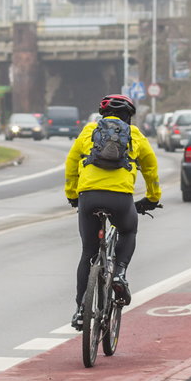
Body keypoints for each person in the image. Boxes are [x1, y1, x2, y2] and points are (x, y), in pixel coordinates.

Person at [65, 94, 162, 329]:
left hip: (88, 197)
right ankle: (119, 273)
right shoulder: (136, 135)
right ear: (129, 117)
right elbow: (150, 169)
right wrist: (152, 198)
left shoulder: (89, 131)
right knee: (128, 231)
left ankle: (80, 311)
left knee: (88, 252)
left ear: (102, 115)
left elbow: (71, 162)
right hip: (120, 198)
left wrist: (72, 194)